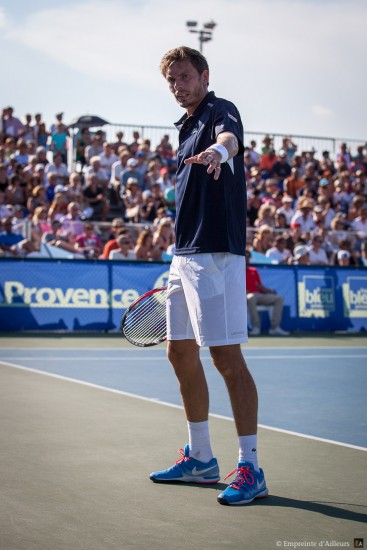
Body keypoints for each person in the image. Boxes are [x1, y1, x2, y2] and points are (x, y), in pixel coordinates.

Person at [149, 46, 268, 507]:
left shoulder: (221, 110)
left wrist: (218, 151)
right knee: (178, 353)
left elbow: (230, 140)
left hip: (217, 254)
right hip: (185, 254)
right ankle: (200, 458)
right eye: (172, 81)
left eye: (184, 77)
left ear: (203, 75)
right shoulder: (182, 128)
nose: (178, 86)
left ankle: (251, 466)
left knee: (226, 359)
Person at [246, 249, 289, 336]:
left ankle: (274, 328)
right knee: (251, 297)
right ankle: (256, 327)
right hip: (247, 296)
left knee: (279, 298)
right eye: (244, 257)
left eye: (248, 257)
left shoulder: (253, 270)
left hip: (258, 295)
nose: (246, 259)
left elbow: (259, 286)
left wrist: (269, 291)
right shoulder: (237, 271)